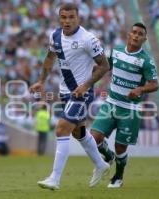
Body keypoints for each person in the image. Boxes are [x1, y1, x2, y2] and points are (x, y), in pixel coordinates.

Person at [30, 3, 110, 190]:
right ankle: (101, 164)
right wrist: (41, 81)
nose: (67, 21)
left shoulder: (88, 39)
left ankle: (54, 179)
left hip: (82, 93)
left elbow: (104, 65)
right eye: (63, 17)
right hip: (66, 92)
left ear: (78, 18)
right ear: (59, 18)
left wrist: (86, 85)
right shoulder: (55, 36)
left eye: (71, 17)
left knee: (61, 129)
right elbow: (50, 58)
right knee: (78, 132)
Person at [91, 23, 159, 188]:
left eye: (140, 34)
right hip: (111, 103)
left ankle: (118, 178)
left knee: (121, 146)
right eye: (134, 32)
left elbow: (155, 84)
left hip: (130, 109)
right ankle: (108, 156)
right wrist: (94, 70)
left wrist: (141, 89)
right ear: (129, 34)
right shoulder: (117, 51)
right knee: (94, 138)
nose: (136, 35)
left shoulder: (147, 61)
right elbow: (105, 67)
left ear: (144, 39)